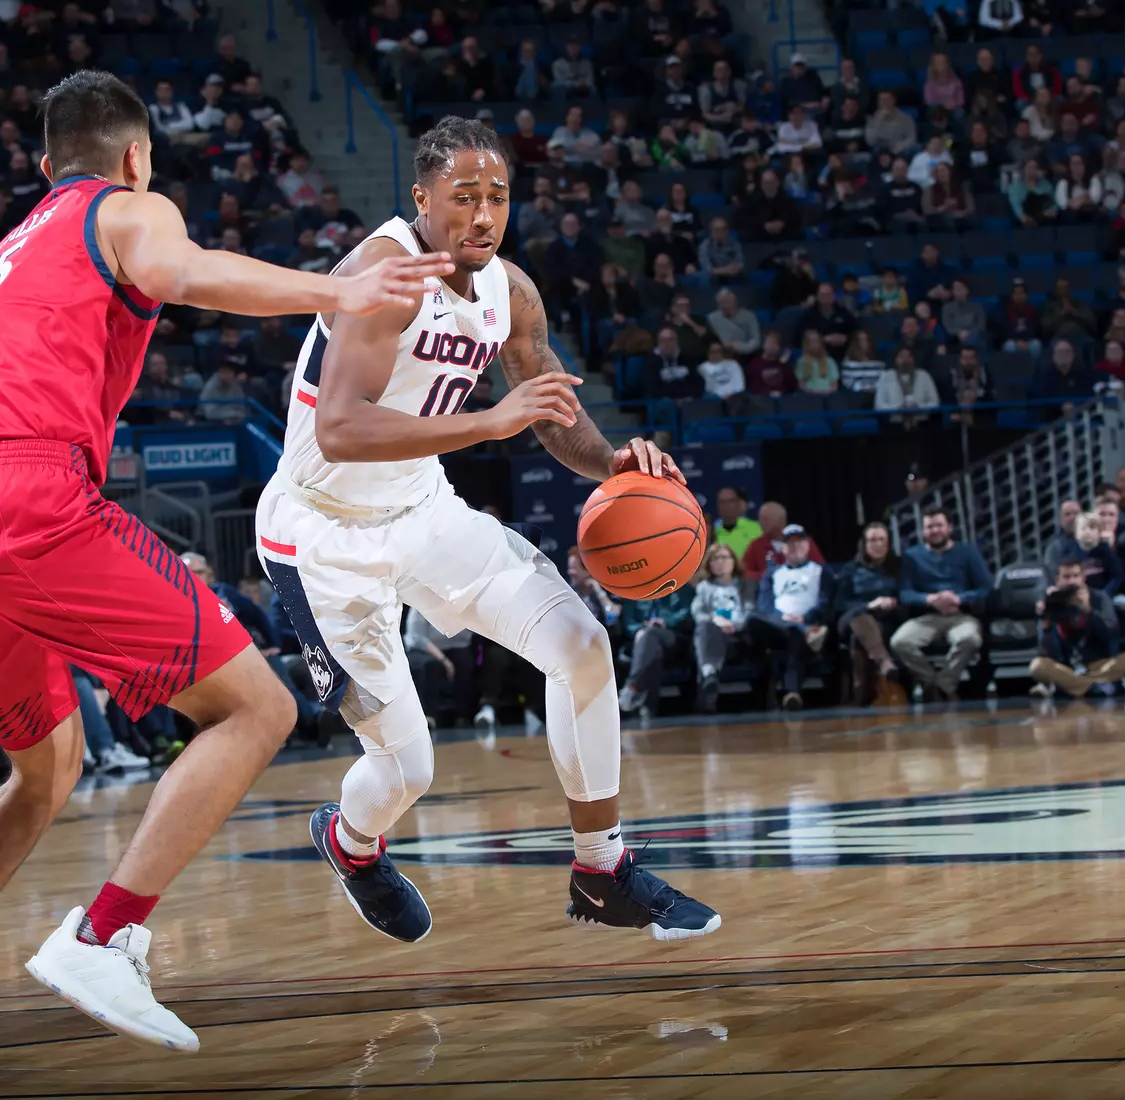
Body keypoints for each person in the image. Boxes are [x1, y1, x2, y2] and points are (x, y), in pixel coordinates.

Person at [0, 71, 453, 1075]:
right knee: (255, 708)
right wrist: (339, 289)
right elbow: (189, 267)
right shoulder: (128, 207)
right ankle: (104, 934)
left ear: (46, 166)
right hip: (30, 492)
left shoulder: (5, 249)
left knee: (42, 771)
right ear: (134, 155)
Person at [254, 116, 720, 953]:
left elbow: (548, 415)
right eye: (463, 197)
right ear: (422, 198)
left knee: (582, 643)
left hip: (422, 509)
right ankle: (351, 843)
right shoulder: (382, 272)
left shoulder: (512, 291)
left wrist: (616, 460)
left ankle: (601, 868)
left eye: (497, 196)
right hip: (324, 534)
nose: (482, 214)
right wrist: (488, 422)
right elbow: (342, 430)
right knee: (408, 770)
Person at [892, 508, 991, 701]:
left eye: (939, 525)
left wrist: (958, 598)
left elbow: (986, 588)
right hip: (927, 615)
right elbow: (904, 593)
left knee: (970, 640)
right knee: (899, 642)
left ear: (949, 528)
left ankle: (943, 686)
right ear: (923, 531)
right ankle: (931, 682)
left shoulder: (967, 552)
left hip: (960, 615)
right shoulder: (912, 556)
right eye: (929, 527)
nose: (935, 530)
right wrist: (929, 599)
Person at [747, 524, 831, 710]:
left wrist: (805, 618)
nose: (795, 546)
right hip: (778, 627)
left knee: (794, 635)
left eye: (800, 542)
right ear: (782, 548)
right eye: (790, 543)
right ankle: (803, 631)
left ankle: (792, 693)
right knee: (752, 619)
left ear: (808, 545)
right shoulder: (772, 574)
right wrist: (784, 619)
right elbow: (765, 606)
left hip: (807, 624)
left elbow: (825, 603)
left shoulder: (820, 571)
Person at [1029, 558, 1125, 697]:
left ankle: (1073, 686)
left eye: (1076, 576)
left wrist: (1089, 611)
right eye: (1066, 577)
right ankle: (1096, 685)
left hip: (1098, 664)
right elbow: (1046, 653)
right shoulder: (1052, 603)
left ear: (1083, 578)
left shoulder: (1100, 598)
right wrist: (1046, 627)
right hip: (1066, 667)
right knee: (1037, 666)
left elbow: (1110, 638)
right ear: (1057, 580)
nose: (1072, 581)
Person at [836, 523, 905, 706]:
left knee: (858, 639)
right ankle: (884, 663)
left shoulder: (898, 567)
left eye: (882, 539)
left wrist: (893, 602)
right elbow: (840, 604)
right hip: (851, 618)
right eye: (873, 540)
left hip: (887, 619)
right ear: (864, 544)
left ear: (888, 543)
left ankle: (861, 695)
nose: (878, 544)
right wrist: (869, 605)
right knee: (860, 619)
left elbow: (905, 594)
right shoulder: (850, 570)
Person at [616, 579, 694, 719]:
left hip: (673, 637)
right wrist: (642, 628)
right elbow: (629, 623)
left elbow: (687, 613)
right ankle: (648, 709)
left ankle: (633, 685)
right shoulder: (632, 590)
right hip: (644, 640)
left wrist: (666, 621)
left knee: (650, 637)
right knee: (651, 645)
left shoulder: (683, 587)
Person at [689, 543, 750, 713]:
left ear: (733, 561)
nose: (720, 562)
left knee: (705, 640)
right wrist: (716, 620)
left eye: (725, 557)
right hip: (714, 634)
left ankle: (709, 680)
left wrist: (734, 625)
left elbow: (751, 612)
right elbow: (698, 613)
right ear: (709, 564)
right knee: (705, 628)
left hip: (740, 636)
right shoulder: (704, 588)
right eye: (715, 559)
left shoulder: (745, 585)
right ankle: (709, 677)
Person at [712, 486, 762, 558]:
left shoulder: (756, 528)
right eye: (722, 502)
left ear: (738, 503)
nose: (726, 506)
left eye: (730, 501)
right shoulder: (712, 531)